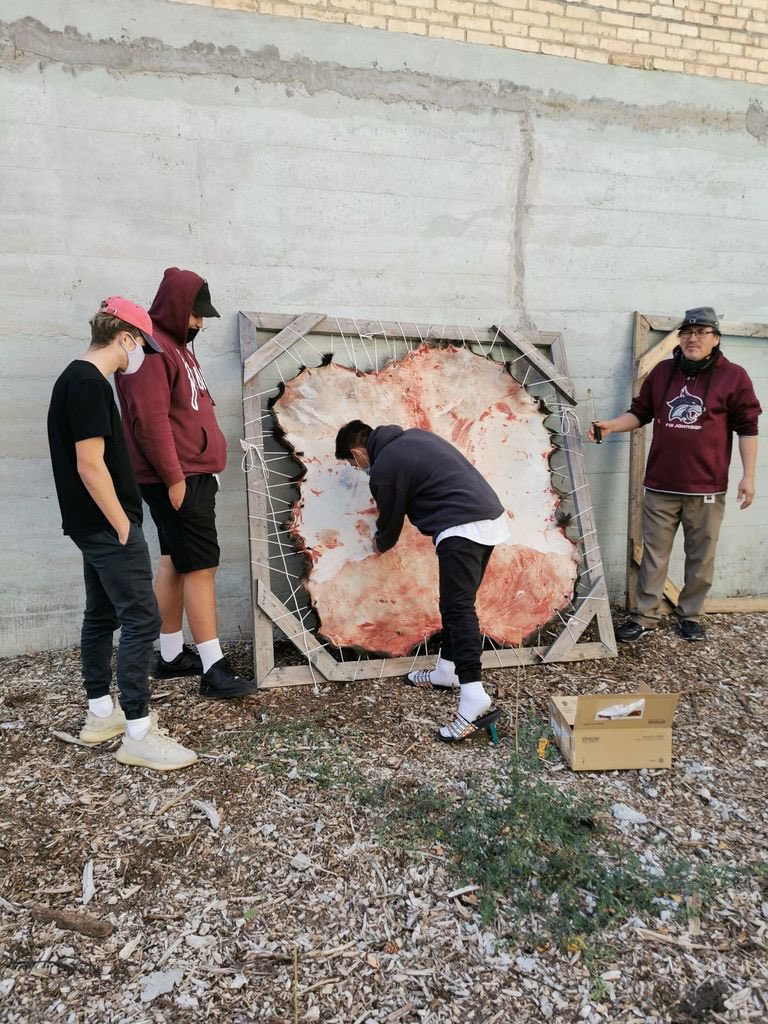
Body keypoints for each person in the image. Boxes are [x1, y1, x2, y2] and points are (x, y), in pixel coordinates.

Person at [46, 297, 197, 770]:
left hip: (90, 525)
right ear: (125, 338)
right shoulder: (89, 384)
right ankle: (138, 732)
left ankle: (100, 714)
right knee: (141, 619)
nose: (142, 357)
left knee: (102, 613)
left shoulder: (74, 379)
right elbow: (90, 465)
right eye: (141, 347)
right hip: (107, 526)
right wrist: (123, 526)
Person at [115, 269, 257, 699]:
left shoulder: (174, 348)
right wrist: (175, 477)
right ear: (178, 308)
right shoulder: (152, 350)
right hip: (179, 478)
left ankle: (171, 654)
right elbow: (149, 421)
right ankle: (214, 669)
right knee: (201, 565)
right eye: (196, 315)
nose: (200, 324)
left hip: (190, 475)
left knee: (176, 561)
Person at [591, 306, 761, 643]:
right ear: (680, 338)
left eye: (701, 332)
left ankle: (691, 616)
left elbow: (748, 429)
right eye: (687, 332)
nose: (693, 338)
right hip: (661, 485)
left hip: (706, 488)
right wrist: (612, 425)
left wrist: (749, 477)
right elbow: (640, 413)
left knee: (701, 556)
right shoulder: (662, 372)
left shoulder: (734, 376)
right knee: (654, 555)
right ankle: (644, 616)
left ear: (715, 338)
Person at [335, 421, 511, 743]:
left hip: (462, 526)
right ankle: (446, 671)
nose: (357, 468)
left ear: (358, 453)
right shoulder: (413, 437)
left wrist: (378, 544)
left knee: (458, 609)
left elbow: (389, 526)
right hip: (488, 517)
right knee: (455, 603)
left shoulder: (384, 467)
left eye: (352, 463)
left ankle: (473, 694)